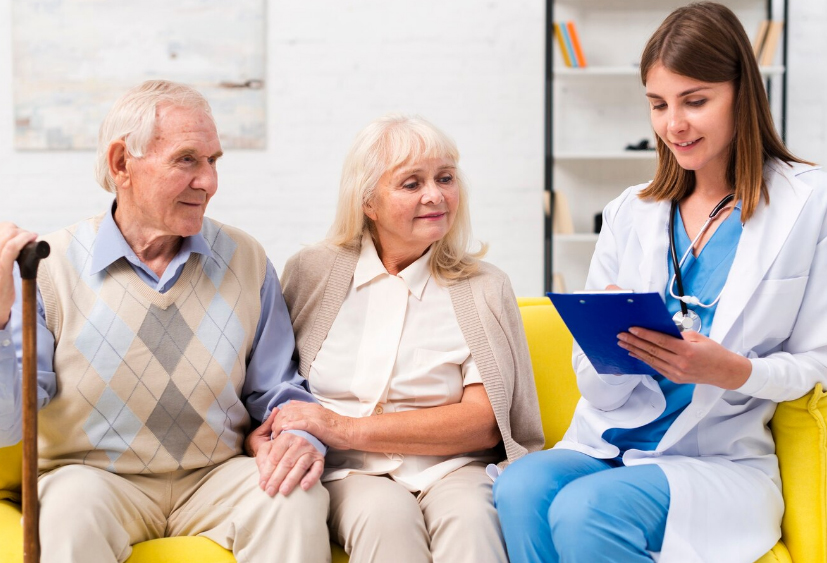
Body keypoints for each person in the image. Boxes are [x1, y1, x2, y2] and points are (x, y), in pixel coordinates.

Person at [493, 3, 827, 563]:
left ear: (742, 93)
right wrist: (608, 350)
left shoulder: (807, 204)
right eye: (658, 104)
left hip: (717, 460)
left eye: (695, 101)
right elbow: (590, 379)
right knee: (519, 486)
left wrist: (732, 371)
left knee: (586, 512)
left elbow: (816, 364)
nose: (674, 124)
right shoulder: (631, 211)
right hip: (610, 441)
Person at [0, 80, 330, 563]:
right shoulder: (48, 267)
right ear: (121, 164)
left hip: (214, 476)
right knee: (68, 508)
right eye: (187, 160)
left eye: (214, 161)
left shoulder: (246, 259)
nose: (209, 182)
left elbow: (278, 390)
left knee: (296, 497)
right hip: (96, 480)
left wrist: (297, 437)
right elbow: (8, 427)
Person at [266, 114, 544, 563]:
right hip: (350, 472)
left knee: (474, 521)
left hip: (454, 467)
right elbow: (272, 380)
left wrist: (345, 427)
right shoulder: (312, 272)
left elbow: (482, 421)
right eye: (411, 184)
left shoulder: (485, 286)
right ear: (368, 202)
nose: (435, 195)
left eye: (445, 178)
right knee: (386, 519)